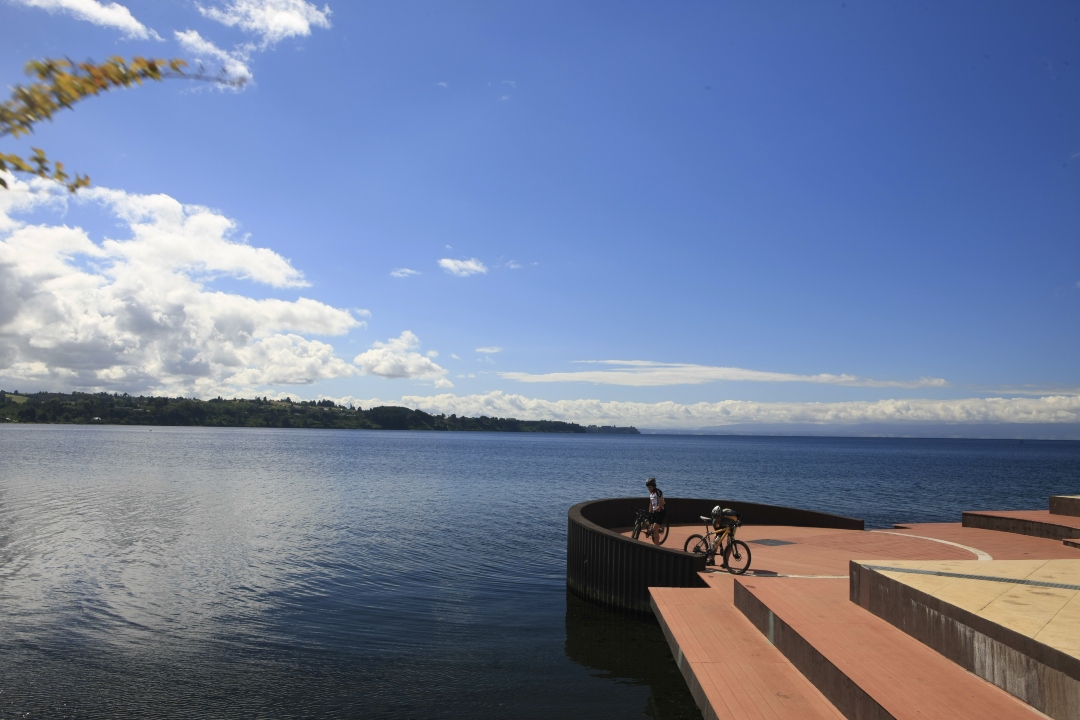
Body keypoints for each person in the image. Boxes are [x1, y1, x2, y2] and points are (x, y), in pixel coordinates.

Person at [645, 477, 666, 545]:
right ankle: (658, 530)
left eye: (650, 487)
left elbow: (662, 503)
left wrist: (657, 509)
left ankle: (657, 547)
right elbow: (650, 504)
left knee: (654, 529)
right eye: (648, 487)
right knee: (647, 522)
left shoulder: (658, 492)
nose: (649, 489)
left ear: (654, 486)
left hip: (661, 512)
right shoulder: (651, 494)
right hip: (654, 512)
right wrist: (649, 513)